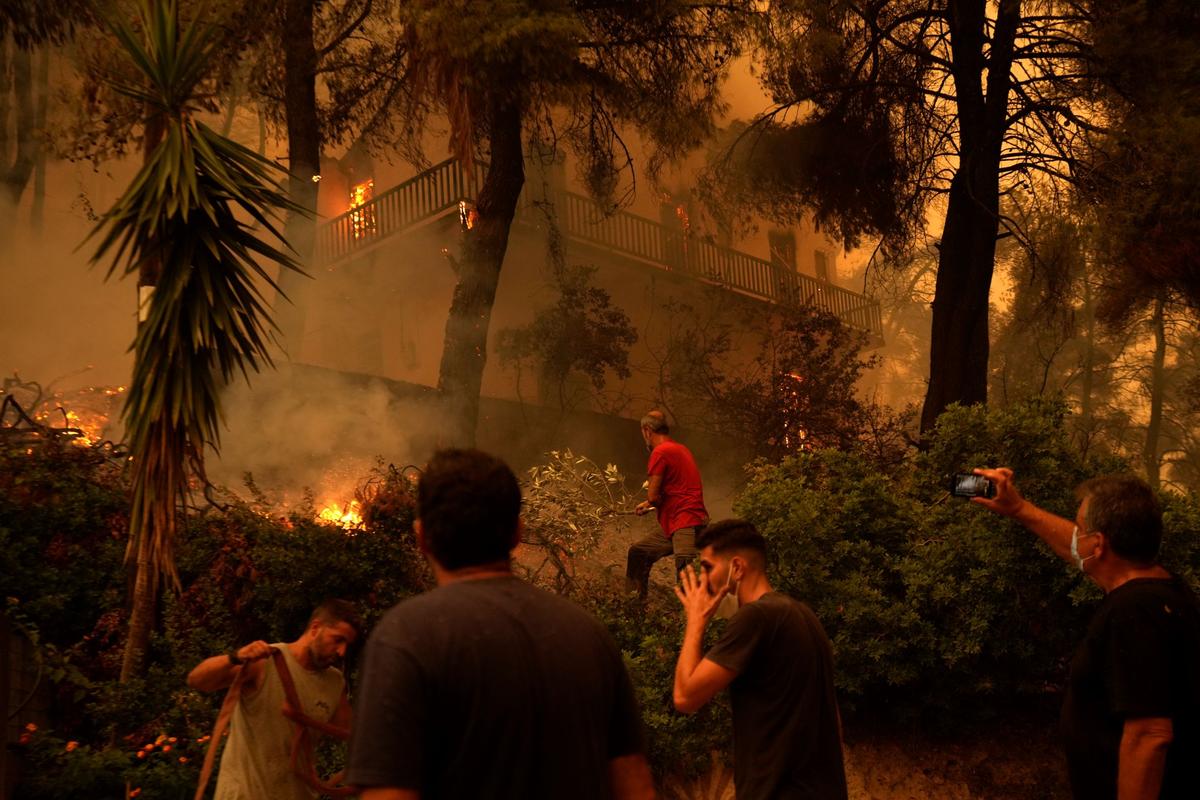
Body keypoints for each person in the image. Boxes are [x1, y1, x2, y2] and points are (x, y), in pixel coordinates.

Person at [347, 448, 655, 800]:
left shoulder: (406, 636)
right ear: (517, 534)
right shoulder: (588, 634)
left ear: (421, 538)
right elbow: (635, 783)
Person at [974, 468, 1200, 799]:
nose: (1076, 535)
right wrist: (1020, 509)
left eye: (1080, 527)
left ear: (1099, 544)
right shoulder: (1166, 592)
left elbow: (1150, 734)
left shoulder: (1133, 612)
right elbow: (1082, 551)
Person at [672, 519, 848, 800]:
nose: (703, 580)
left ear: (737, 568)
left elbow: (685, 696)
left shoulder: (755, 617)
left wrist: (695, 621)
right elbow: (833, 718)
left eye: (707, 567)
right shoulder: (805, 616)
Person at [186, 600, 362, 800]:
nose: (342, 651)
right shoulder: (265, 661)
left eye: (347, 644)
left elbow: (353, 734)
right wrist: (235, 657)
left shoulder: (334, 682)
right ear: (315, 628)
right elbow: (197, 680)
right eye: (337, 640)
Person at [626, 410, 708, 598]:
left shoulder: (660, 452)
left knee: (686, 577)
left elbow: (655, 495)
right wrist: (648, 504)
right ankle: (632, 609)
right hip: (682, 522)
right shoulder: (680, 449)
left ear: (647, 431)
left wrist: (651, 500)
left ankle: (690, 622)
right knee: (638, 553)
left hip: (685, 522)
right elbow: (676, 489)